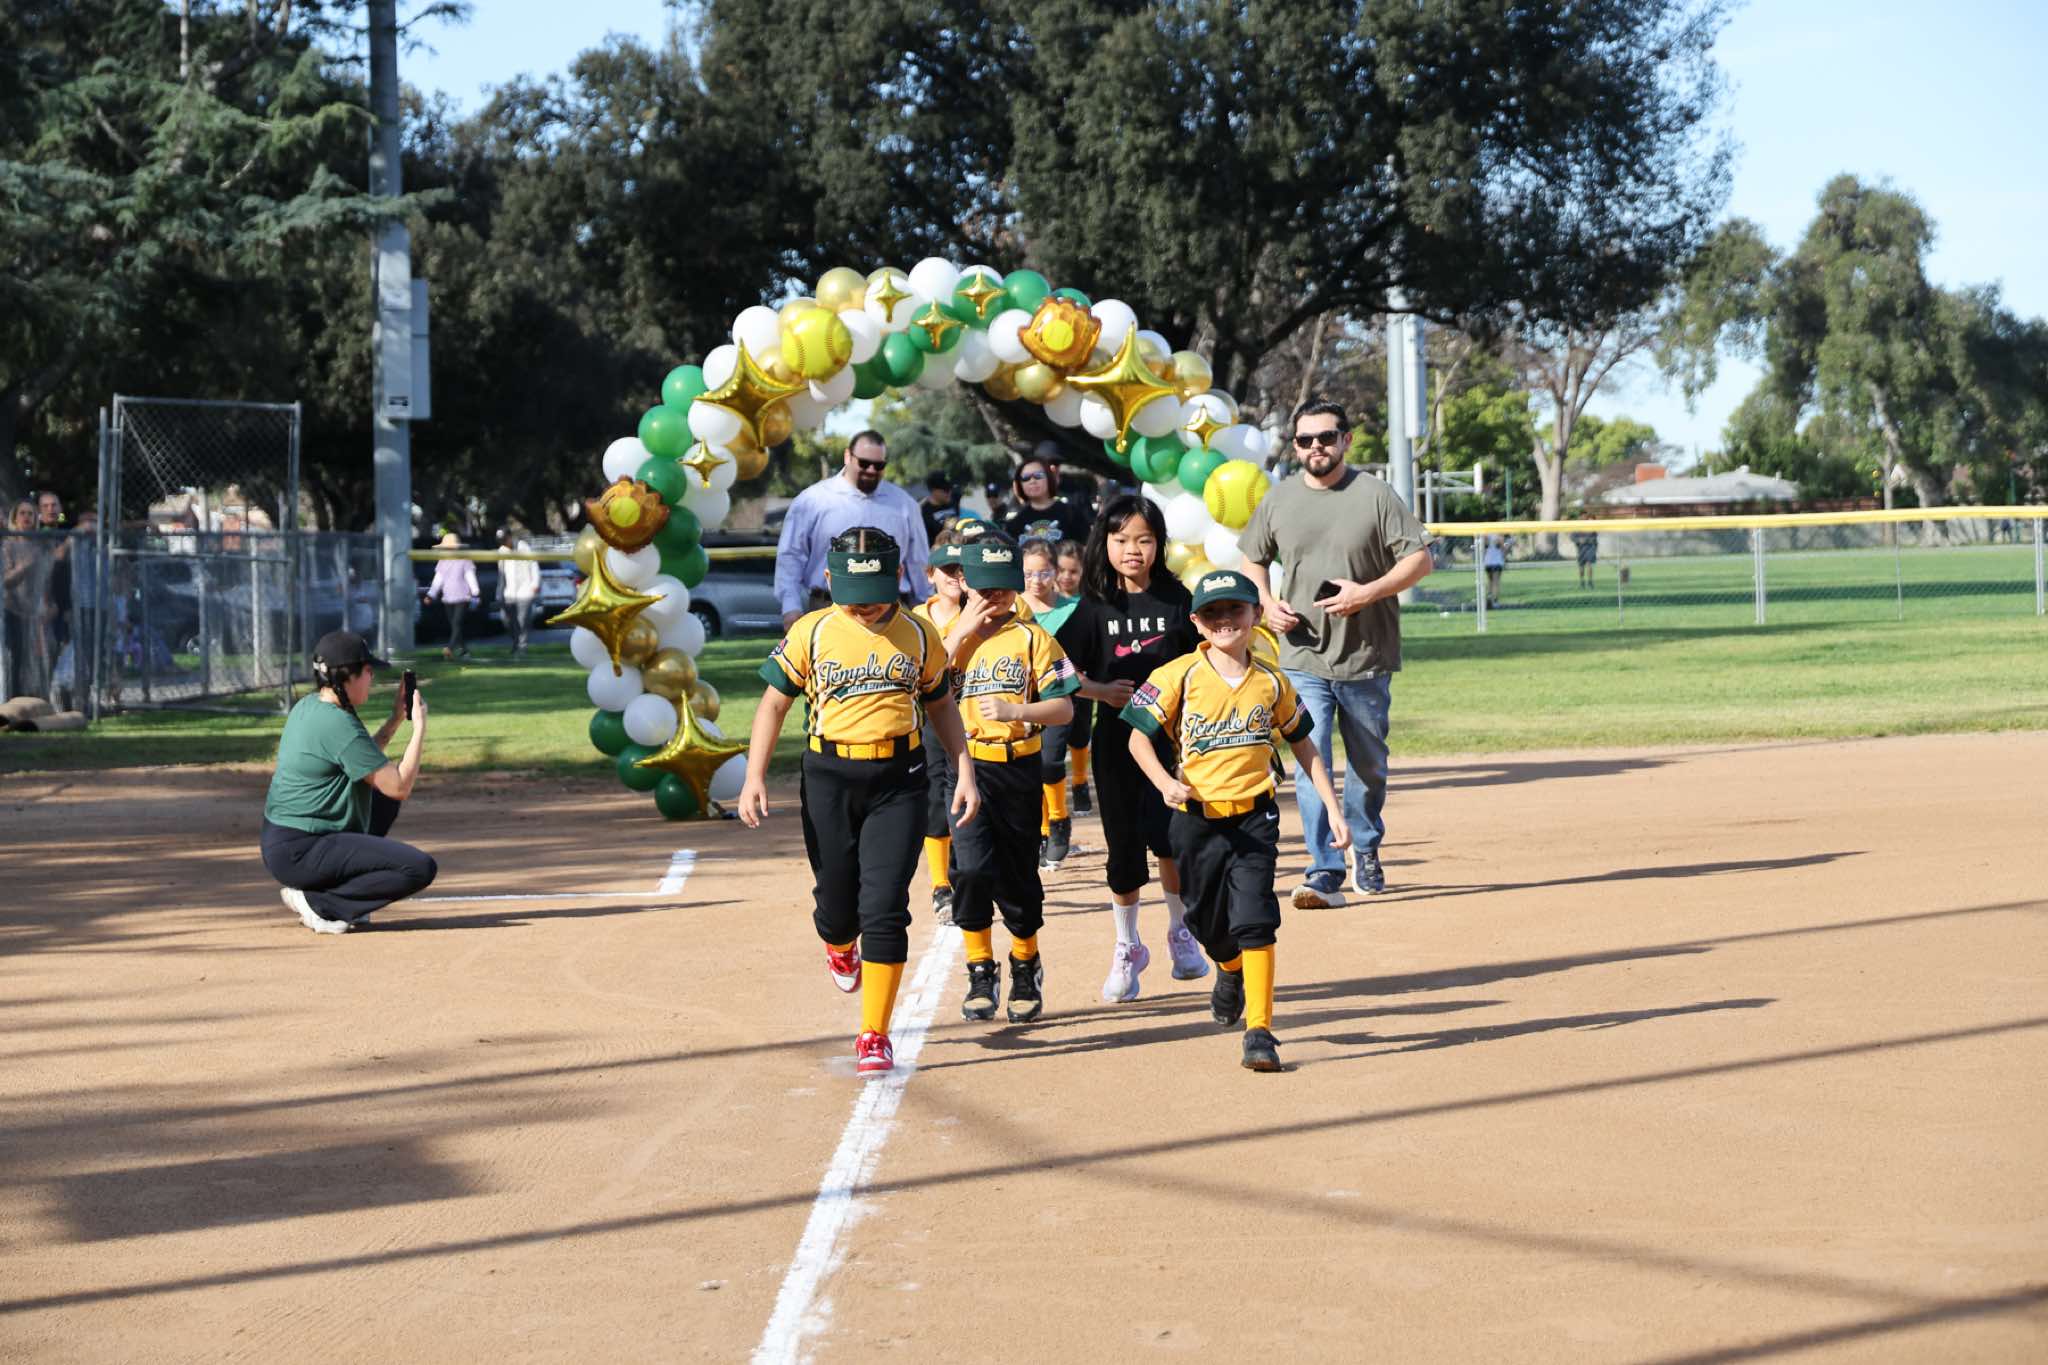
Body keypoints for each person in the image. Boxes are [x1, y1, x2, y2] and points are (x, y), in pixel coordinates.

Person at [738, 527, 980, 1077]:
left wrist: (964, 769)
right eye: (852, 593)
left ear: (897, 577)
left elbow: (942, 705)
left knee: (886, 907)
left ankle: (875, 1034)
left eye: (874, 592)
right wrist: (754, 776)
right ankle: (838, 940)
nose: (865, 605)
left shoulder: (918, 633)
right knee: (837, 905)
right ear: (829, 579)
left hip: (900, 778)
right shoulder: (812, 631)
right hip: (829, 776)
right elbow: (773, 705)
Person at [1123, 570, 1348, 1071]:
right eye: (1212, 612)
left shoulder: (1272, 680)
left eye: (1235, 609)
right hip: (1195, 820)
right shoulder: (1177, 675)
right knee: (1206, 922)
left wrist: (1333, 808)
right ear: (1196, 621)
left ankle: (1260, 1031)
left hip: (1254, 819)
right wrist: (1163, 783)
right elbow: (1137, 738)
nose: (1224, 619)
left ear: (1255, 615)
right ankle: (1229, 969)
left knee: (1255, 918)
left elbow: (1305, 745)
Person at [1237, 397, 1434, 907]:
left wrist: (1366, 593)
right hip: (1302, 657)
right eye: (1305, 440)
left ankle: (1365, 847)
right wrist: (1266, 604)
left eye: (1326, 437)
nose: (1316, 447)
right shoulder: (1280, 499)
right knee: (1312, 761)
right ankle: (1324, 865)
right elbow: (1251, 559)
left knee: (1368, 766)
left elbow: (1419, 560)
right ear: (1296, 446)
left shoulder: (1375, 495)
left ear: (1346, 440)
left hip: (1366, 658)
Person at [1054, 493, 1205, 1001]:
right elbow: (1057, 668)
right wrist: (1099, 690)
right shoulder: (1094, 606)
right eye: (1121, 540)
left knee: (1170, 840)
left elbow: (1202, 663)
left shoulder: (1177, 600)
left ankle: (1181, 932)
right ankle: (1127, 946)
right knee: (1123, 850)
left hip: (1171, 745)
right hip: (1115, 743)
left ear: (1159, 544)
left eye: (1144, 539)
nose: (1132, 550)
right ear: (1105, 543)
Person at [946, 539, 1079, 1022]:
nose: (995, 596)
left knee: (1018, 874)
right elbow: (924, 683)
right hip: (967, 767)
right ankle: (980, 968)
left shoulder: (1033, 637)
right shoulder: (949, 637)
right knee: (971, 870)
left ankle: (1025, 962)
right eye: (985, 587)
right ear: (965, 583)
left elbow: (1064, 707)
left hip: (1018, 768)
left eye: (1004, 586)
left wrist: (1015, 711)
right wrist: (961, 631)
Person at [260, 630, 435, 933]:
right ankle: (322, 903)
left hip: (289, 843)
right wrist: (419, 728)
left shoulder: (312, 706)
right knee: (418, 868)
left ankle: (340, 892)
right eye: (367, 671)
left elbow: (361, 758)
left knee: (382, 800)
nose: (372, 677)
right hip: (301, 850)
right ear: (345, 677)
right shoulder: (337, 723)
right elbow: (400, 786)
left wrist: (395, 720)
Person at [775, 431, 931, 627]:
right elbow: (791, 556)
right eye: (864, 463)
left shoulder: (904, 504)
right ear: (848, 456)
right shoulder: (811, 501)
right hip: (829, 608)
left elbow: (918, 561)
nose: (871, 470)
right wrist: (790, 607)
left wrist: (926, 607)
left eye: (879, 465)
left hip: (890, 612)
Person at [912, 526, 970, 923]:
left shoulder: (983, 609)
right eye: (946, 569)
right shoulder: (916, 619)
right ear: (930, 573)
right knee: (936, 800)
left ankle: (966, 870)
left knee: (969, 797)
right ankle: (940, 884)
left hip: (975, 717)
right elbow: (926, 669)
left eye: (961, 569)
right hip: (932, 718)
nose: (955, 576)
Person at [1049, 539, 1093, 814]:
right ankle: (1054, 815)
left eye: (1073, 571)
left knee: (1080, 734)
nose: (1066, 577)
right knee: (1052, 747)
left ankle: (1079, 781)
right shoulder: (1046, 601)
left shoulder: (1088, 603)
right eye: (1061, 570)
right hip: (1052, 681)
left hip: (1081, 679)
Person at [1002, 453, 1093, 546]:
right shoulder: (1015, 524)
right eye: (1026, 478)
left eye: (1038, 475)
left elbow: (1087, 546)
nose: (1032, 481)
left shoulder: (1072, 514)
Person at [424, 532, 479, 660]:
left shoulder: (464, 560)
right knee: (455, 626)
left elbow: (470, 576)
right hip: (448, 598)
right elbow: (438, 580)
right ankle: (464, 651)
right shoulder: (442, 562)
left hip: (462, 597)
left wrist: (475, 592)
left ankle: (449, 648)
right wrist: (430, 595)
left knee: (457, 623)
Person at [498, 529, 540, 657]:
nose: (504, 543)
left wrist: (535, 584)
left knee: (522, 621)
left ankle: (521, 646)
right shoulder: (502, 551)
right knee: (506, 619)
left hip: (525, 590)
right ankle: (516, 642)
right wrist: (499, 591)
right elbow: (501, 574)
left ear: (510, 537)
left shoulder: (524, 547)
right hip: (509, 592)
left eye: (505, 540)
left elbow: (533, 566)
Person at [919, 471, 958, 543]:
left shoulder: (953, 501)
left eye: (951, 488)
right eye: (946, 490)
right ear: (933, 490)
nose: (950, 493)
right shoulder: (924, 512)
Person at [1483, 534, 1506, 606]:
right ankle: (1494, 601)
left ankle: (1489, 599)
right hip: (1497, 562)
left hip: (1488, 561)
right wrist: (1504, 558)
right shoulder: (1498, 534)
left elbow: (1485, 547)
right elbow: (1502, 548)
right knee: (1496, 582)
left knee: (1490, 582)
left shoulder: (1486, 534)